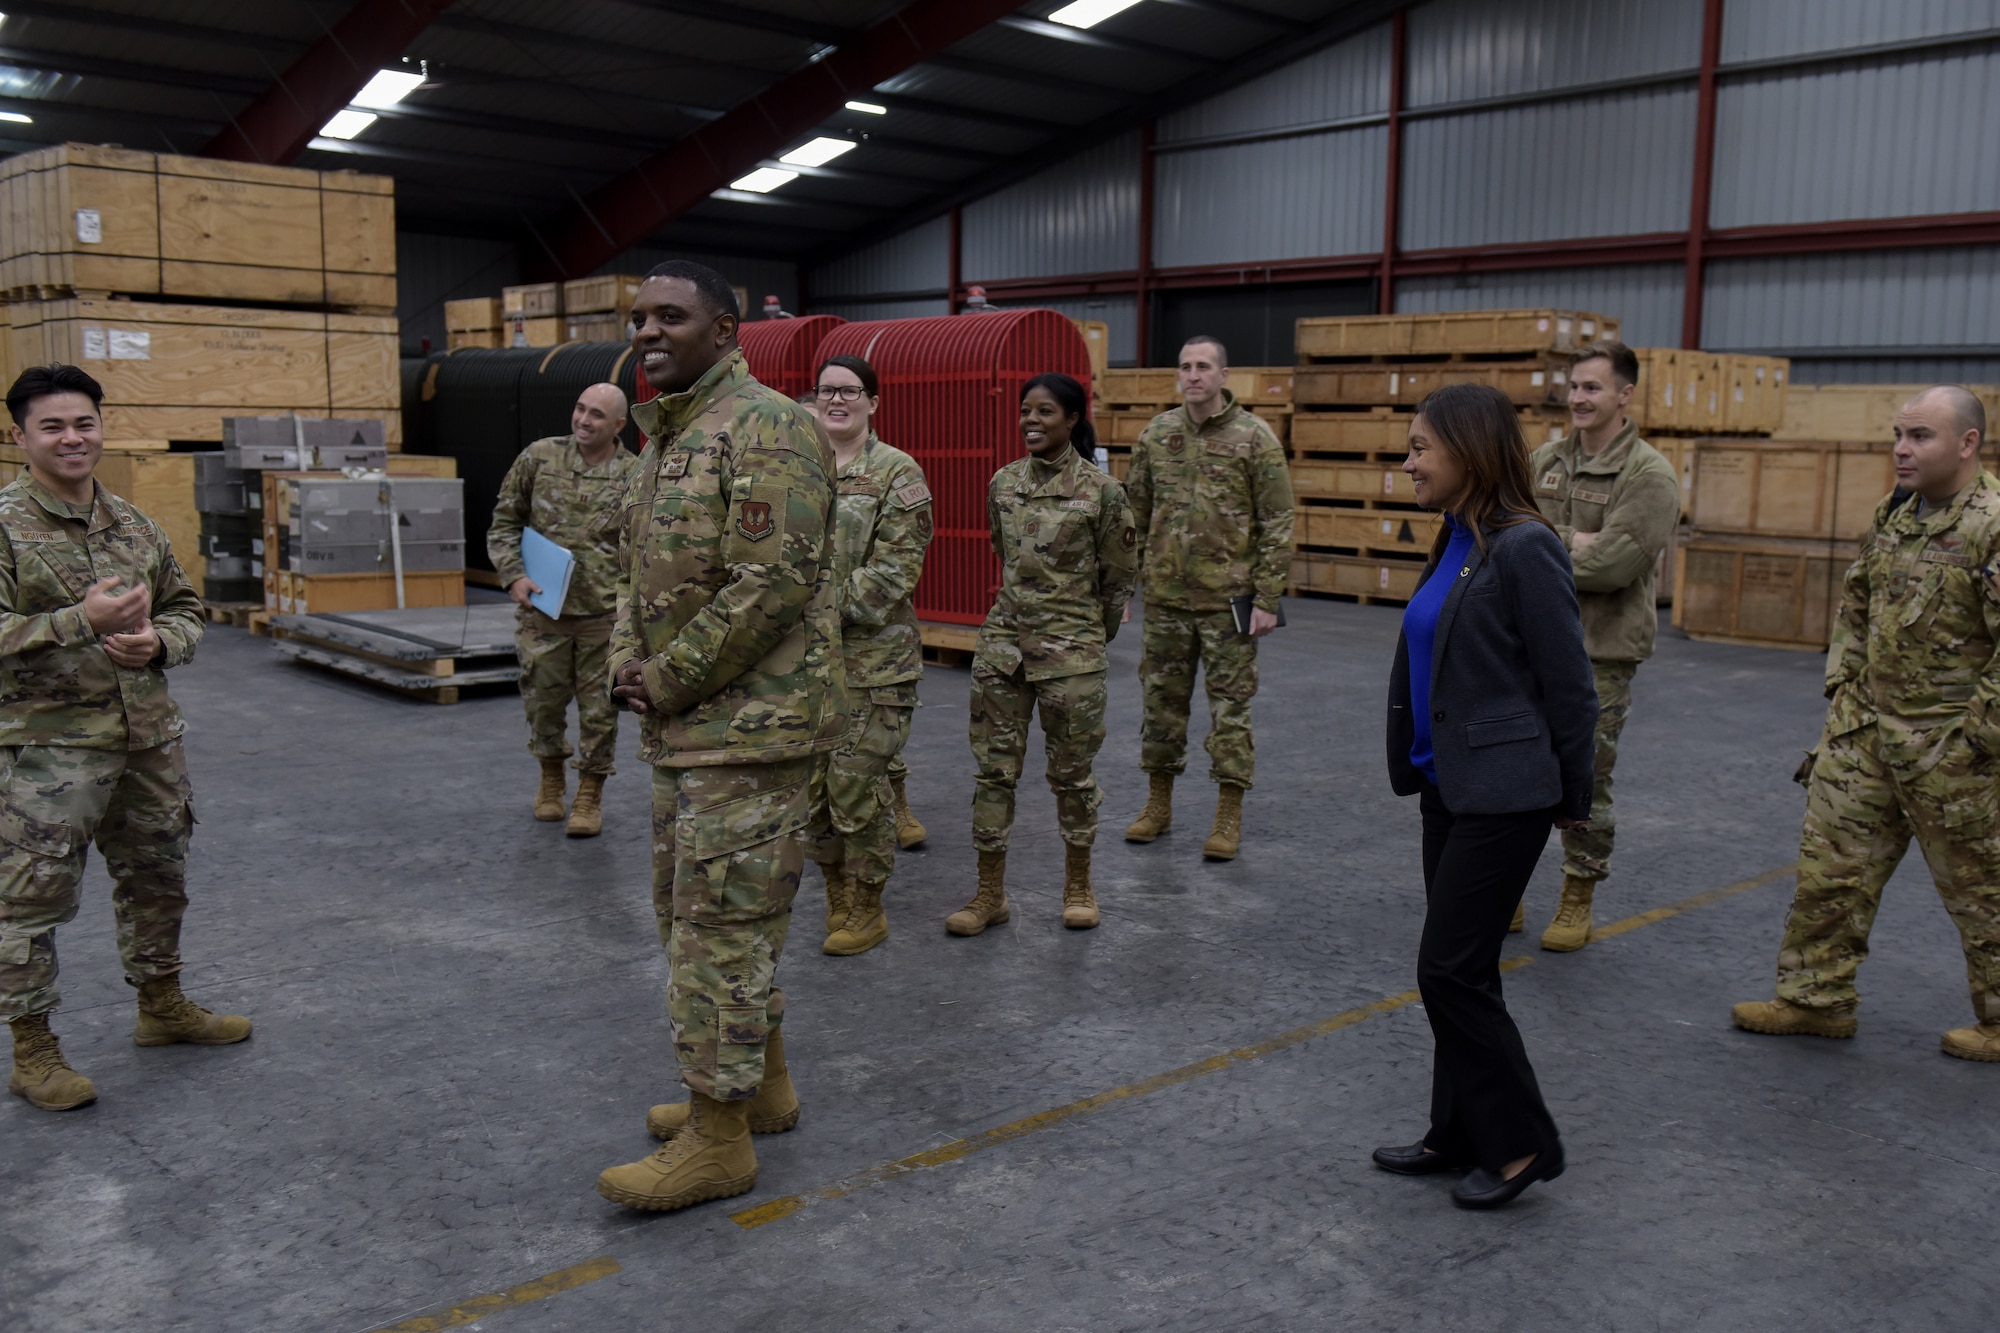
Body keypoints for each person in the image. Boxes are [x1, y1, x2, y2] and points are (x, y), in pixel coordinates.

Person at [592, 262, 845, 1211]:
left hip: (751, 731)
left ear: (727, 329)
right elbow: (634, 574)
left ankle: (719, 1136)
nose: (650, 331)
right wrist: (629, 657)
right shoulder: (669, 433)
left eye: (672, 316)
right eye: (639, 318)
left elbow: (769, 585)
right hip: (688, 730)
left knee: (720, 934)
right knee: (691, 919)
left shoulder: (770, 426)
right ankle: (763, 1088)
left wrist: (662, 676)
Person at [1, 364, 250, 1113]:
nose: (72, 437)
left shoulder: (134, 523)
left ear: (101, 428)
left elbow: (186, 607)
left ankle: (161, 1004)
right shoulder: (6, 524)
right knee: (29, 899)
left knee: (157, 878)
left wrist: (160, 645)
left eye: (84, 422)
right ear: (20, 436)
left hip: (146, 741)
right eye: (52, 425)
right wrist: (82, 622)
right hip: (49, 752)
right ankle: (33, 1048)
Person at [1376, 383, 1596, 1209]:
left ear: (1469, 450)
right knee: (1466, 970)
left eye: (1420, 448)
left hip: (1508, 793)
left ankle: (1523, 1145)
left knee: (1448, 970)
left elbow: (1569, 684)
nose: (1408, 463)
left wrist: (1575, 794)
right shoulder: (1457, 536)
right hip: (1448, 783)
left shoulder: (1524, 546)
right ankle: (1457, 1131)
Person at [1733, 386, 2000, 1062]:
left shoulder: (1990, 525)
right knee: (1831, 870)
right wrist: (1843, 686)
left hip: (1950, 745)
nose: (1901, 450)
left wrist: (1977, 741)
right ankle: (1815, 999)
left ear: (1968, 444)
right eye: (1897, 434)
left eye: (1919, 437)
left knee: (1981, 887)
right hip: (1867, 733)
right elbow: (1859, 599)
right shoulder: (1897, 511)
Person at [948, 373, 1138, 936]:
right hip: (1003, 651)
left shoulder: (1103, 493)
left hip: (1072, 658)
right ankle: (989, 895)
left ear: (1073, 419)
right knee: (993, 775)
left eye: (1046, 412)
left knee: (1073, 776)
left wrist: (1084, 638)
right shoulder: (1003, 483)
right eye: (1026, 411)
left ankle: (1078, 885)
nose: (1031, 421)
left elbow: (1118, 580)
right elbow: (1000, 550)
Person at [1526, 341, 1679, 949]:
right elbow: (1506, 530)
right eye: (1575, 386)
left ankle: (1577, 893)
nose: (1580, 398)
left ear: (1625, 394)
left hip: (1600, 651)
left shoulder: (1648, 474)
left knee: (1583, 777)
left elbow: (1614, 566)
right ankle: (1505, 884)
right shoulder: (1544, 461)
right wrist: (1574, 539)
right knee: (1512, 768)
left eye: (1593, 387)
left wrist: (1545, 544)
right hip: (1530, 643)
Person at [1121, 336, 1294, 860]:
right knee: (1160, 708)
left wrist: (1267, 598)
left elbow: (1278, 521)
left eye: (1203, 367)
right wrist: (1122, 588)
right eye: (1186, 367)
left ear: (1224, 375)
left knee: (1230, 713)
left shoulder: (1255, 438)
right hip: (1167, 600)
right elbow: (1134, 517)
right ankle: (1158, 804)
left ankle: (1227, 814)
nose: (1193, 375)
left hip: (1230, 602)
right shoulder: (1157, 435)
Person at [799, 355, 932, 956]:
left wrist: (803, 608)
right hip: (802, 667)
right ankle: (836, 893)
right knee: (812, 796)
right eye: (827, 390)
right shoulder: (795, 468)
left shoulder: (897, 473)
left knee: (855, 787)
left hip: (873, 665)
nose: (837, 400)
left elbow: (893, 573)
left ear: (873, 402)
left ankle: (869, 904)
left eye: (850, 391)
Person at [486, 381, 642, 837]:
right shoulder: (540, 457)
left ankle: (590, 793)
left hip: (602, 620)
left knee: (600, 714)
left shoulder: (634, 474)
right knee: (543, 706)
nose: (583, 420)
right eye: (579, 409)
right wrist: (513, 574)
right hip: (543, 614)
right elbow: (504, 522)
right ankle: (550, 778)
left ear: (618, 425)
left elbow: (643, 548)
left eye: (596, 414)